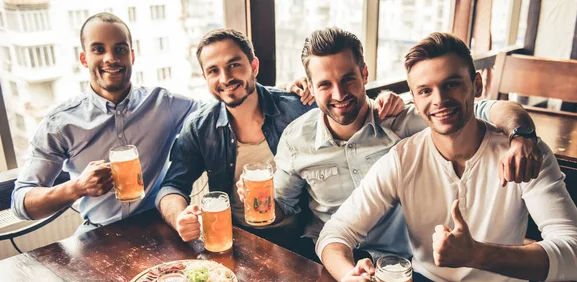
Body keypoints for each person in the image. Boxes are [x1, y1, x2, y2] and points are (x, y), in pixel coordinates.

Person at [316, 32, 577, 282]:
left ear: (476, 85)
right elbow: (335, 233)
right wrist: (349, 274)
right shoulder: (403, 158)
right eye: (425, 91)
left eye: (451, 84)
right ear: (415, 101)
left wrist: (476, 254)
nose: (439, 100)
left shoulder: (523, 154)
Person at [237, 27, 542, 263]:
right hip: (326, 255)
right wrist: (259, 204)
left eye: (348, 79)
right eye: (325, 85)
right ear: (312, 87)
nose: (339, 93)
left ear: (365, 74)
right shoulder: (296, 138)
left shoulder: (405, 119)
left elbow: (484, 109)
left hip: (398, 262)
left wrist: (522, 133)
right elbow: (283, 207)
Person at [156, 28, 404, 248]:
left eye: (234, 65)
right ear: (205, 78)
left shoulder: (296, 107)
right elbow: (172, 186)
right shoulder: (201, 127)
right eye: (213, 71)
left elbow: (339, 106)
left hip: (296, 239)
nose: (225, 78)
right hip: (234, 237)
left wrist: (383, 100)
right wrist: (180, 218)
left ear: (254, 67)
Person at [11, 12, 200, 233]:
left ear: (132, 56)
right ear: (84, 59)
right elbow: (21, 202)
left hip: (159, 229)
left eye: (120, 49)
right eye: (98, 49)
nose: (111, 58)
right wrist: (77, 187)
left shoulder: (164, 104)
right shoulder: (60, 123)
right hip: (98, 234)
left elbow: (218, 116)